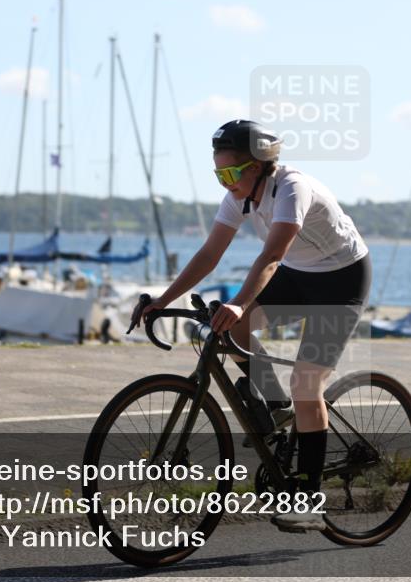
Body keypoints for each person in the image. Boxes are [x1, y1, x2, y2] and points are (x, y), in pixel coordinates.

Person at [132, 120, 371, 532]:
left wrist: (241, 303)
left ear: (259, 166)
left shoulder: (292, 188)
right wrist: (162, 301)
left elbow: (272, 255)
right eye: (218, 174)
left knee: (306, 384)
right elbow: (209, 254)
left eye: (230, 173)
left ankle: (309, 501)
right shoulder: (238, 198)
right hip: (298, 275)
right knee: (226, 328)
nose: (225, 183)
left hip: (341, 279)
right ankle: (276, 405)